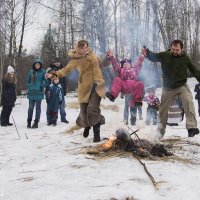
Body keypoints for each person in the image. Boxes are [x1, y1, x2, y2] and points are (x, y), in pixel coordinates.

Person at [45, 39, 105, 142]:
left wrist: (109, 58)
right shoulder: (75, 59)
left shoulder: (92, 54)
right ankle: (87, 126)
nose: (86, 49)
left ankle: (96, 136)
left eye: (86, 46)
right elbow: (65, 70)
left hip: (97, 85)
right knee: (84, 113)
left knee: (93, 109)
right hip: (85, 86)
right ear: (78, 48)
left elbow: (102, 64)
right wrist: (54, 74)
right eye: (83, 47)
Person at [143, 39, 200, 139]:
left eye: (177, 50)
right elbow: (154, 57)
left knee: (188, 101)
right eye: (173, 49)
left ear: (182, 49)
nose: (174, 51)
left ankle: (191, 128)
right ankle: (160, 132)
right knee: (163, 110)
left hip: (181, 86)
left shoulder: (186, 58)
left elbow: (194, 70)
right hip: (168, 88)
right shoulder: (165, 55)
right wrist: (147, 53)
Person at [26, 58, 48, 128]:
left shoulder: (43, 72)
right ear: (34, 65)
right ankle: (29, 122)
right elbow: (27, 81)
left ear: (40, 65)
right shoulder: (31, 71)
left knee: (38, 108)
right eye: (36, 64)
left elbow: (47, 81)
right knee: (30, 108)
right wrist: (29, 86)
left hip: (39, 93)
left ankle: (36, 123)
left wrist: (42, 86)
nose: (37, 65)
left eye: (38, 64)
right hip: (31, 92)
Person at [46, 58, 69, 124]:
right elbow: (47, 80)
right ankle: (49, 119)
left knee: (62, 105)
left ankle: (63, 118)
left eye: (58, 62)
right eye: (56, 62)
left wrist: (64, 90)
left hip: (60, 89)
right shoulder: (50, 69)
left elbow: (65, 81)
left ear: (60, 63)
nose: (57, 63)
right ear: (54, 63)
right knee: (50, 106)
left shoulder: (62, 69)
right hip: (52, 90)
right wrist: (47, 90)